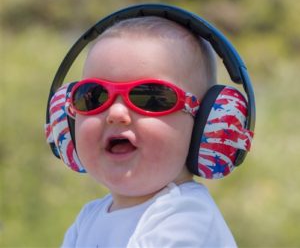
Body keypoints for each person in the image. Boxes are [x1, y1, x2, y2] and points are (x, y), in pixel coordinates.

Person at [61, 16, 237, 247]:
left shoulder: (187, 218)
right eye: (94, 96)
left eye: (151, 97)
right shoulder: (88, 218)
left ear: (207, 125)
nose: (116, 113)